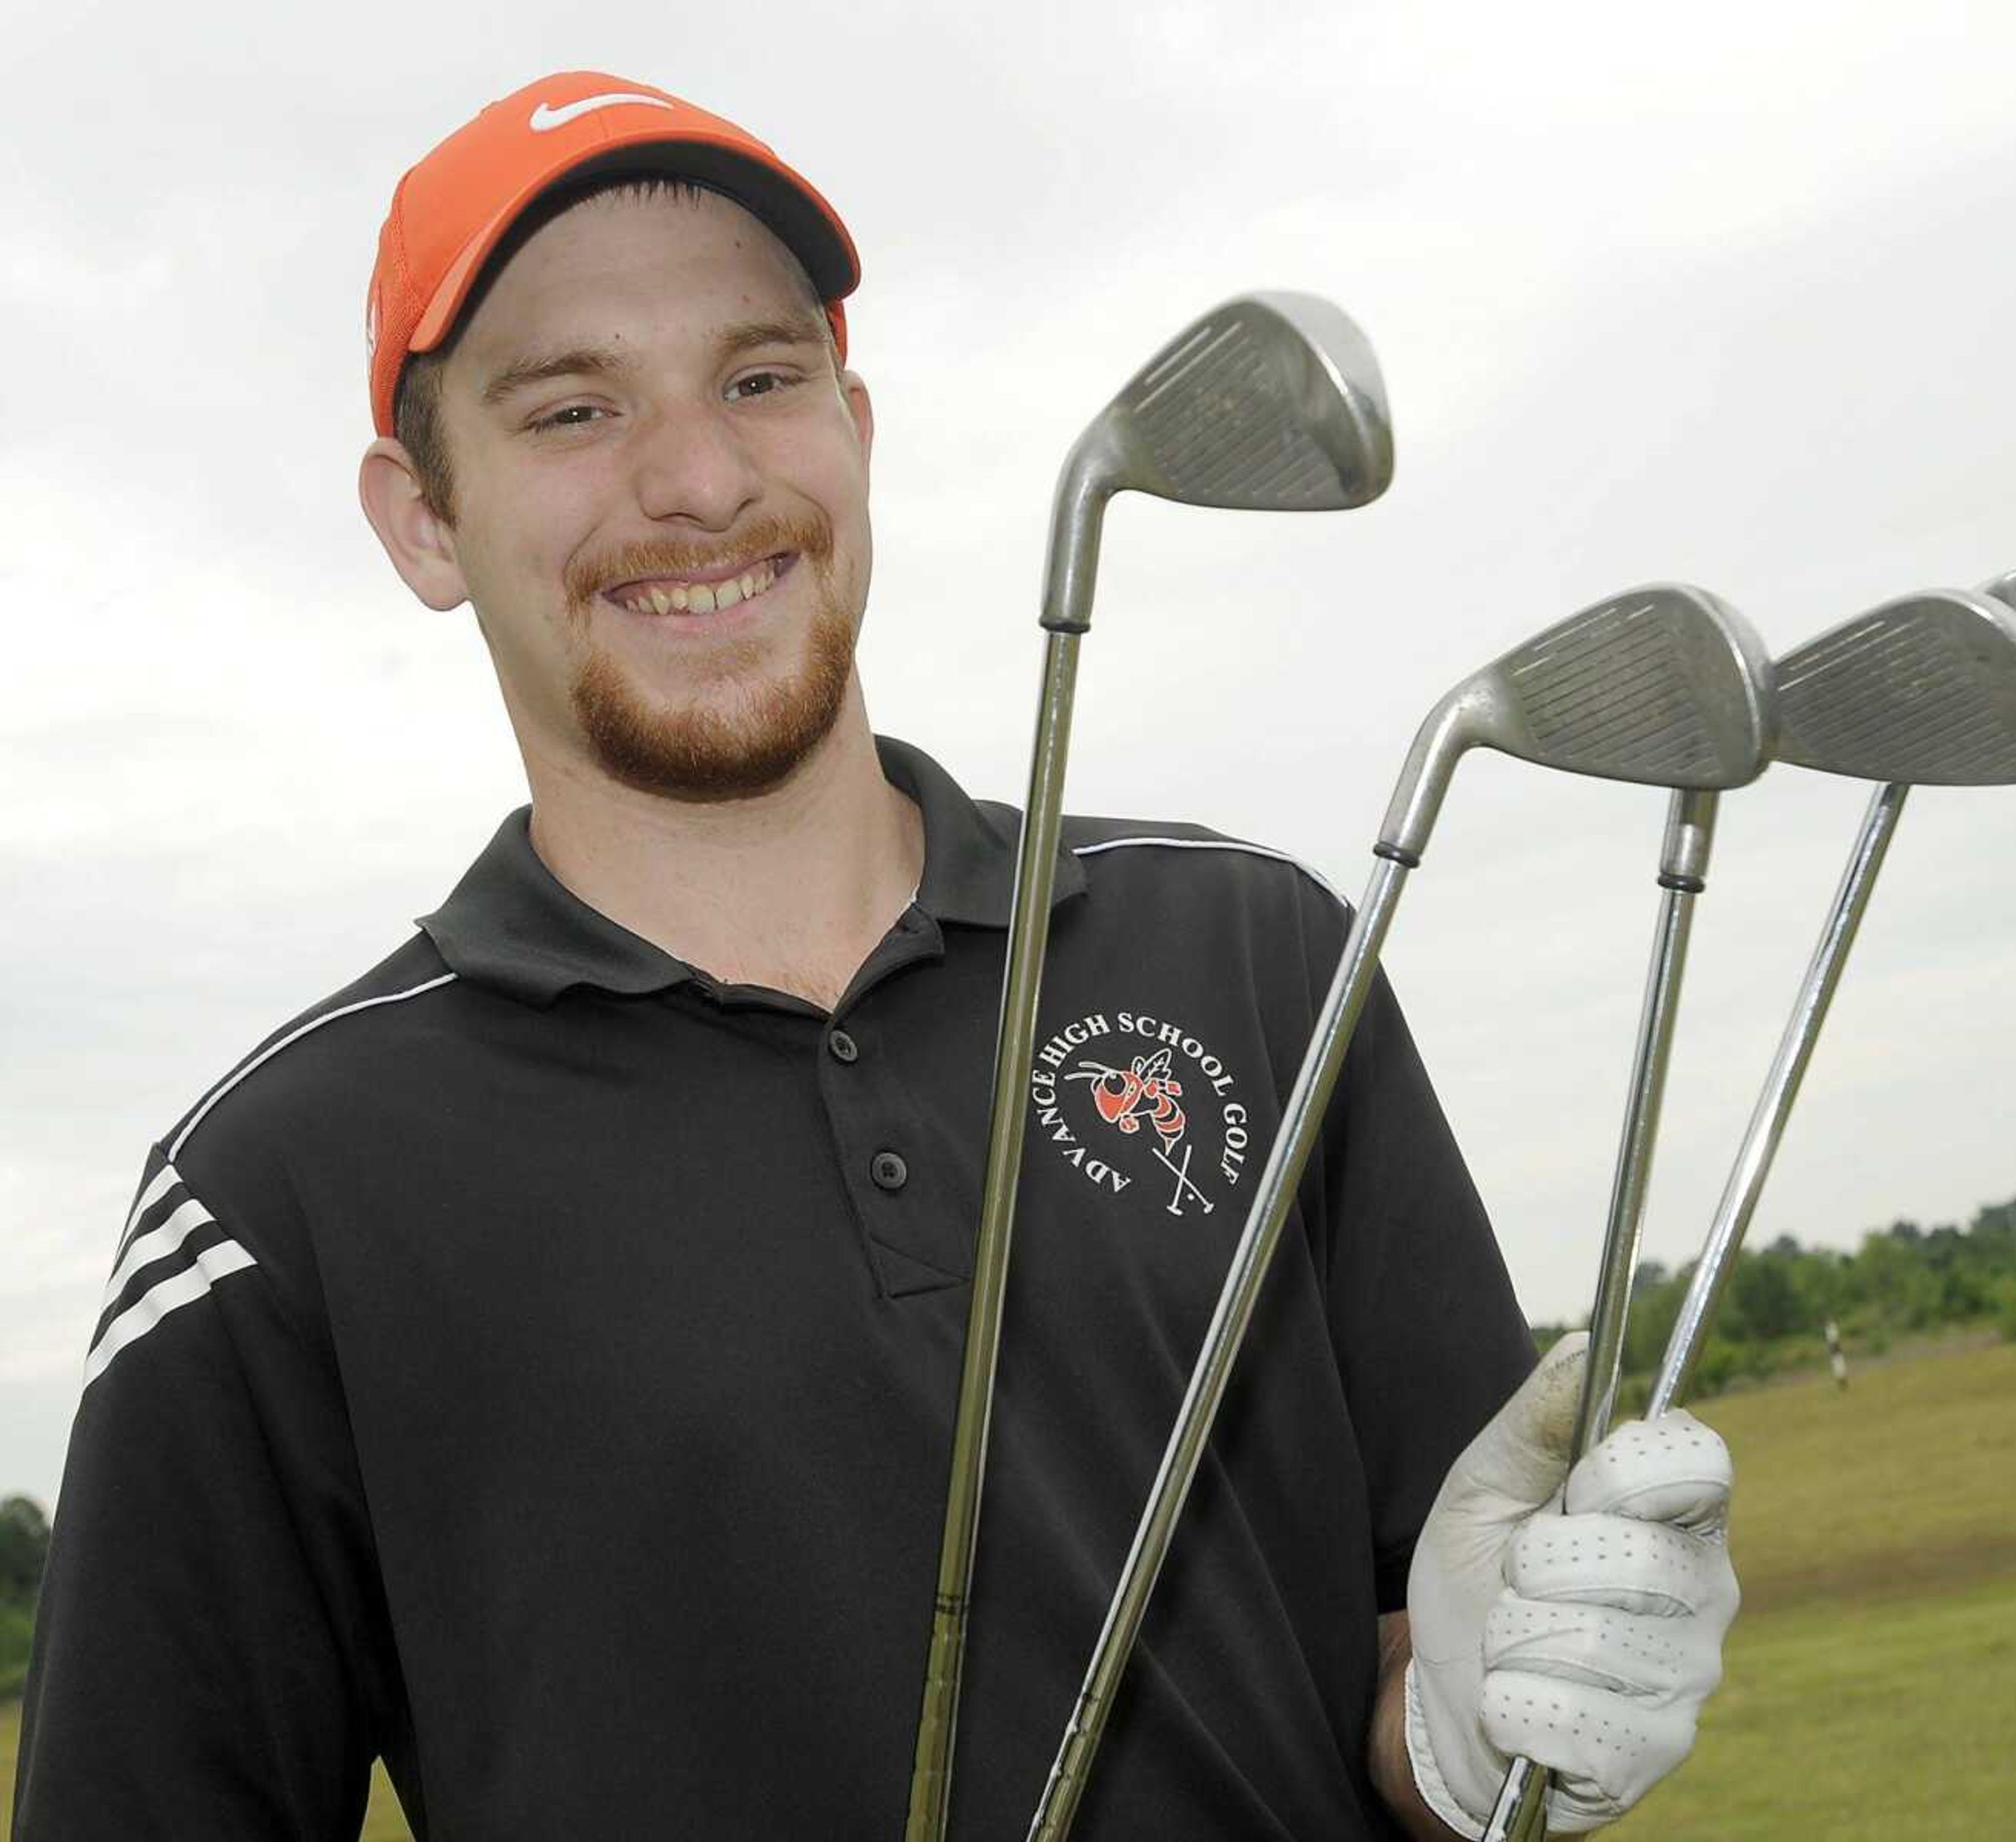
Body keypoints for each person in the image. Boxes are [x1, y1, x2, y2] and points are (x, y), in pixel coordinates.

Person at [12, 73, 1736, 1840]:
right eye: (572, 410)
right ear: (424, 522)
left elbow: (1425, 1645)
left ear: (855, 422)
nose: (696, 481)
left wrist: (1465, 1742)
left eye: (759, 378)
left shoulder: (1257, 954)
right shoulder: (271, 1198)